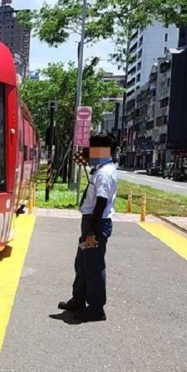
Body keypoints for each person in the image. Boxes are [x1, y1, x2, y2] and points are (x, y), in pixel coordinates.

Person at [59, 133, 118, 322]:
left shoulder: (105, 173)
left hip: (96, 223)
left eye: (91, 149)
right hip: (92, 222)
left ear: (101, 150)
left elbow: (101, 202)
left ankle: (95, 308)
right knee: (83, 263)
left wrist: (92, 230)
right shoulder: (101, 169)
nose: (88, 153)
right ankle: (78, 300)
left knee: (93, 266)